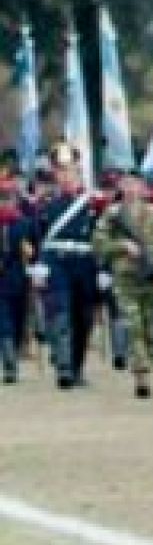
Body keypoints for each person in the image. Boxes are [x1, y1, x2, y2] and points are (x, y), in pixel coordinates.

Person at [29, 145, 103, 389]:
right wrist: (38, 266)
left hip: (85, 263)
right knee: (60, 314)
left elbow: (102, 237)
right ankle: (64, 368)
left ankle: (77, 366)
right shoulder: (46, 203)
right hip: (56, 263)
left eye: (70, 171)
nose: (66, 176)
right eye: (61, 172)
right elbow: (38, 237)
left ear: (79, 172)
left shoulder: (94, 202)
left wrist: (104, 269)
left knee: (83, 318)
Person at [92, 169, 153, 398]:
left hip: (151, 276)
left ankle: (148, 362)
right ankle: (141, 374)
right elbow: (98, 243)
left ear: (143, 188)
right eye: (127, 184)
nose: (131, 188)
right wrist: (121, 246)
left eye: (135, 184)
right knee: (133, 325)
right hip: (125, 276)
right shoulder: (112, 215)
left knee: (151, 328)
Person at [0, 156, 35, 382]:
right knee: (3, 322)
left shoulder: (23, 223)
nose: (5, 203)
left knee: (18, 318)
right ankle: (9, 363)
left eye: (8, 198)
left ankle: (16, 349)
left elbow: (34, 248)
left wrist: (34, 264)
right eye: (2, 198)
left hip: (18, 278)